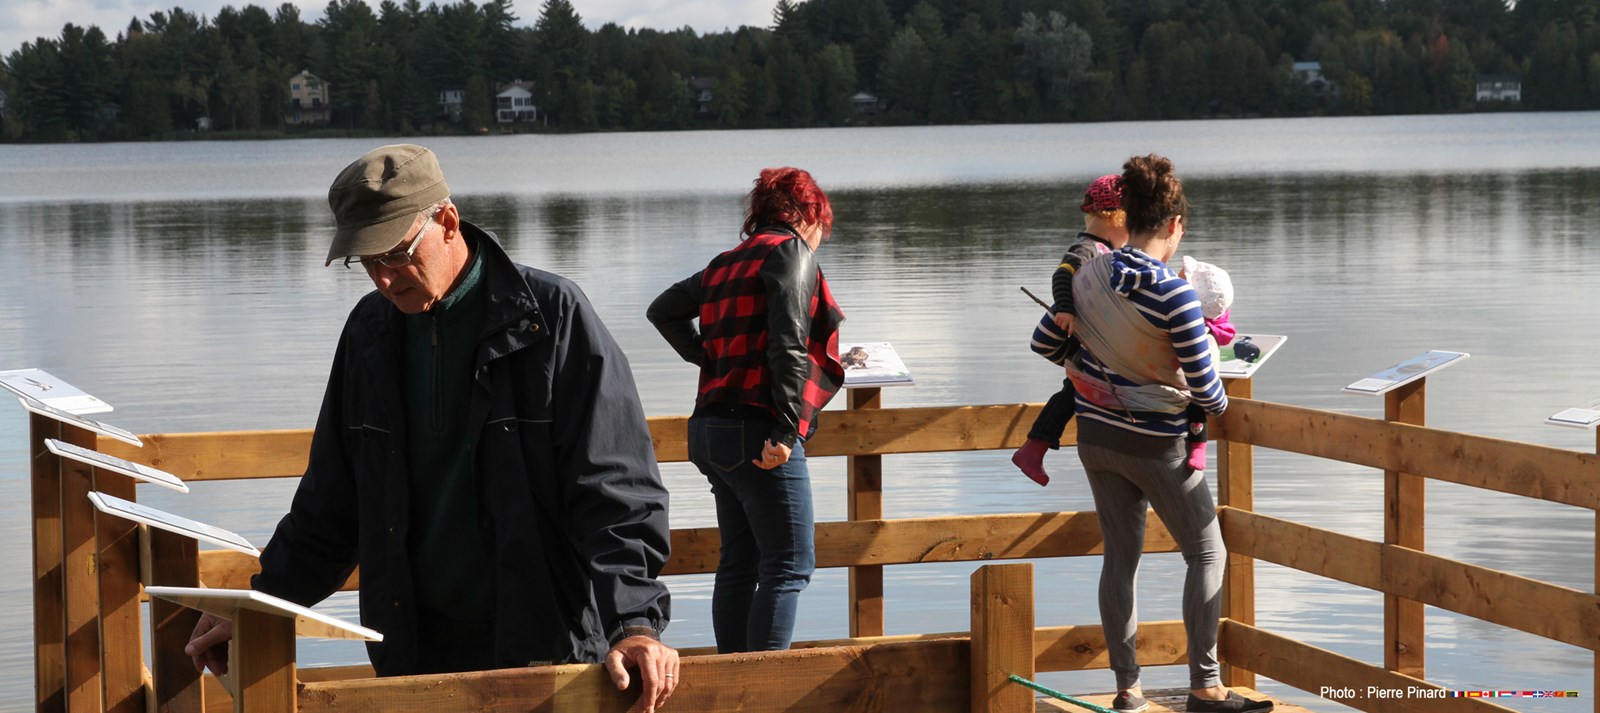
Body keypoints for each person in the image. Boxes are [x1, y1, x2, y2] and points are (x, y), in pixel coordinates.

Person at [185, 144, 679, 712]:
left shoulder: (553, 317)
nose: (385, 279)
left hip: (545, 652)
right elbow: (330, 507)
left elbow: (616, 494)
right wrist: (259, 606)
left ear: (447, 221)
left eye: (395, 254)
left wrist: (635, 625)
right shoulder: (368, 331)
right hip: (413, 654)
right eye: (366, 262)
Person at [1067, 154, 1271, 713]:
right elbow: (1210, 395)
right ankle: (1206, 686)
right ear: (1175, 225)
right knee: (1208, 553)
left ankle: (1127, 689)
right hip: (1157, 445)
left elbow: (1046, 341)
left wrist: (1103, 368)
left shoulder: (1090, 273)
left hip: (1095, 437)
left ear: (1126, 216)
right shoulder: (1177, 295)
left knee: (1120, 559)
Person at [646, 167, 845, 653]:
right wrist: (787, 429)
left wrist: (709, 355)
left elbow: (663, 309)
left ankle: (730, 689)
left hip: (710, 429)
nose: (821, 237)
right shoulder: (790, 252)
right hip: (760, 430)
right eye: (821, 224)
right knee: (789, 565)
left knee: (740, 563)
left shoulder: (724, 263)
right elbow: (789, 347)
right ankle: (761, 692)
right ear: (807, 215)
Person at [1013, 174, 1131, 486]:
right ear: (1116, 217)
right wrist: (1065, 307)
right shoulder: (1089, 248)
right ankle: (1033, 449)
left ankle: (1033, 449)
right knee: (1079, 388)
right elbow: (1062, 274)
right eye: (1132, 222)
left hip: (1081, 339)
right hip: (1069, 337)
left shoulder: (1104, 250)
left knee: (1074, 390)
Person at [1177, 255, 1237, 472]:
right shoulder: (1209, 327)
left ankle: (1198, 445)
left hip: (1193, 385)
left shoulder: (1202, 331)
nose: (1177, 275)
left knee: (1197, 406)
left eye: (1182, 277)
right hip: (1185, 384)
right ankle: (1198, 445)